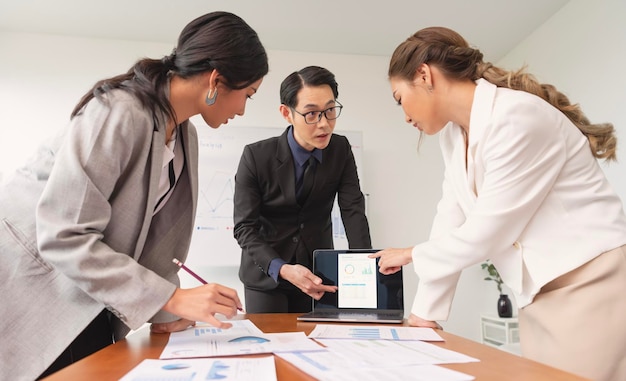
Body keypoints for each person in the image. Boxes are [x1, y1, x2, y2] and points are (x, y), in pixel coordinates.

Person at [0, 11, 268, 380]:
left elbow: (156, 242)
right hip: (38, 284)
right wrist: (171, 299)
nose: (241, 109)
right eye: (248, 95)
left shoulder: (184, 136)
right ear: (216, 80)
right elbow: (64, 236)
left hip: (87, 293)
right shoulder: (118, 111)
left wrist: (170, 312)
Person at [370, 26, 626, 381]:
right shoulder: (453, 137)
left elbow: (490, 231)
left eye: (400, 99)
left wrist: (411, 254)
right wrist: (424, 316)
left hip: (590, 284)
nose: (405, 117)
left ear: (424, 75)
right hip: (537, 296)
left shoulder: (517, 116)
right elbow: (451, 218)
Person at [233, 66, 372, 313]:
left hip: (317, 274)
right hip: (267, 276)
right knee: (271, 346)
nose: (324, 124)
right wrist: (282, 268)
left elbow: (352, 210)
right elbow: (244, 228)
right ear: (287, 113)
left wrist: (365, 268)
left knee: (319, 346)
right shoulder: (256, 157)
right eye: (311, 114)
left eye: (330, 111)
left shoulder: (340, 149)